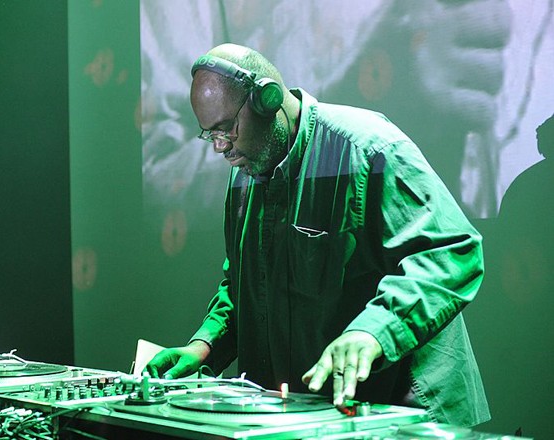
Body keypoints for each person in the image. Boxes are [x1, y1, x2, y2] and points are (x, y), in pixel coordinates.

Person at [145, 43, 489, 427]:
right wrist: (205, 346)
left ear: (267, 99)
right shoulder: (245, 172)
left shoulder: (368, 147)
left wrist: (374, 333)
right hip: (320, 414)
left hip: (404, 411)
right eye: (210, 135)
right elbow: (246, 285)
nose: (221, 147)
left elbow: (449, 250)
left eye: (227, 129)